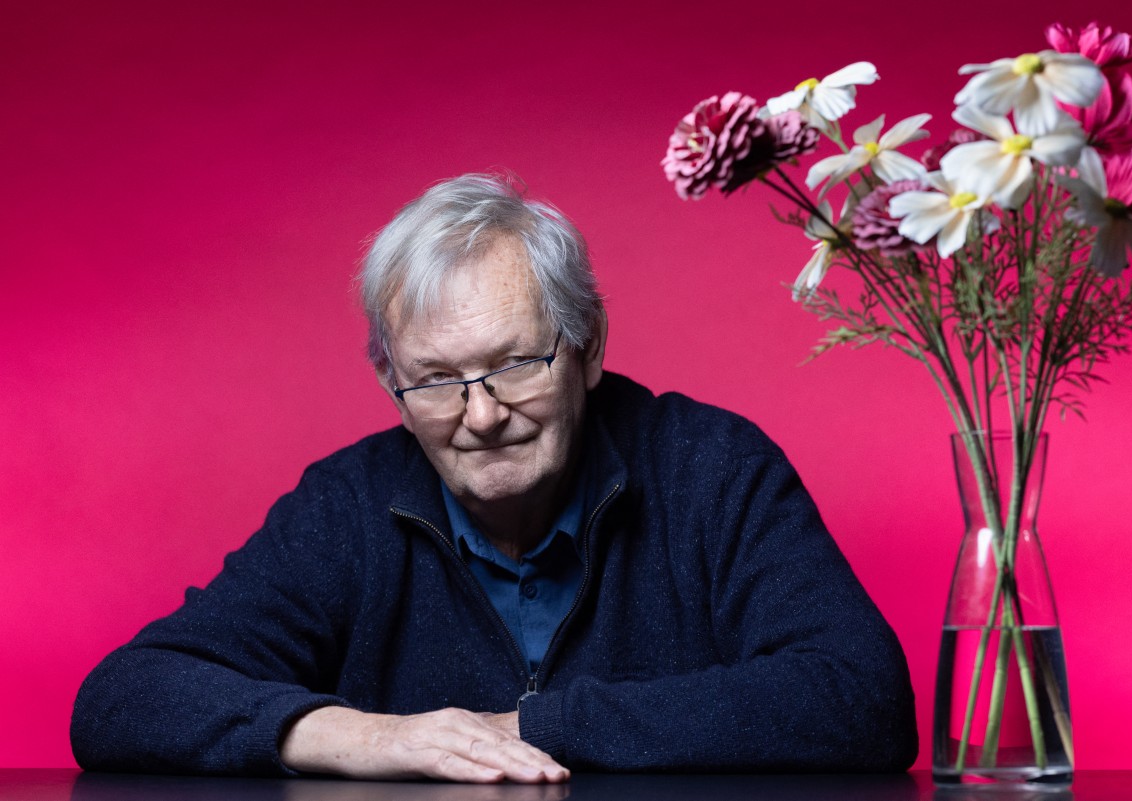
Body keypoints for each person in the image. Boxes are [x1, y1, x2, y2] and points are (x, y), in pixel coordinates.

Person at [71, 173, 918, 782]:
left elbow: (862, 696)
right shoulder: (343, 505)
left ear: (586, 349)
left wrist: (530, 726)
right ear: (391, 386)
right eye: (436, 379)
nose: (480, 416)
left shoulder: (715, 468)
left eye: (516, 365)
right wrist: (359, 736)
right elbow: (119, 700)